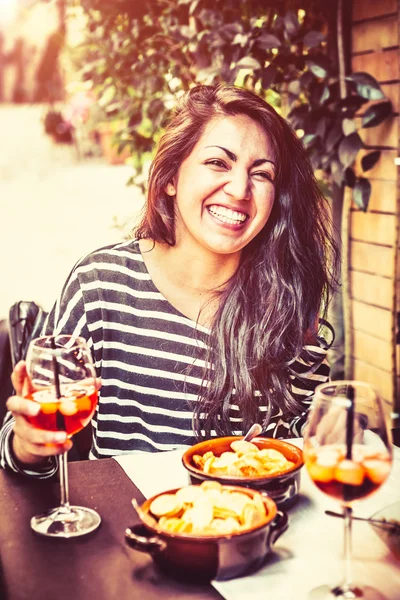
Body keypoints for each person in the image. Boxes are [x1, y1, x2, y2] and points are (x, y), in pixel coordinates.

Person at [0, 84, 338, 478]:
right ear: (171, 178)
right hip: (129, 529)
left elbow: (302, 439)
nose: (240, 189)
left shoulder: (285, 297)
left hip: (246, 524)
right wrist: (27, 445)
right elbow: (28, 441)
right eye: (218, 163)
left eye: (261, 174)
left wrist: (332, 428)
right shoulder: (101, 287)